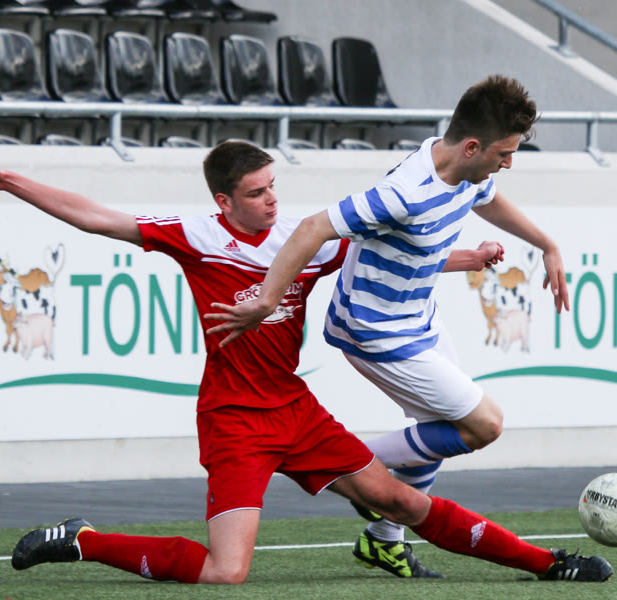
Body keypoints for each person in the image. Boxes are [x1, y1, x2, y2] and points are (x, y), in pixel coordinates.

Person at [0, 142, 611, 585]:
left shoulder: (302, 239)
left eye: (273, 187)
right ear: (224, 202)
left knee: (400, 499)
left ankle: (548, 564)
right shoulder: (197, 238)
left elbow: (390, 255)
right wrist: (9, 182)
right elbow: (95, 218)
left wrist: (470, 258)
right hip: (235, 419)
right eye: (258, 192)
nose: (271, 200)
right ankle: (82, 541)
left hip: (295, 410)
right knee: (225, 573)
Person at [204, 75, 571, 564]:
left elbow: (485, 199)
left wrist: (546, 244)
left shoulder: (463, 169)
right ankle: (352, 470)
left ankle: (383, 536)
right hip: (374, 330)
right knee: (484, 425)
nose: (508, 163)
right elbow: (313, 227)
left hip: (418, 315)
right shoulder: (404, 192)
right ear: (472, 146)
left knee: (436, 429)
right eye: (504, 153)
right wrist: (267, 300)